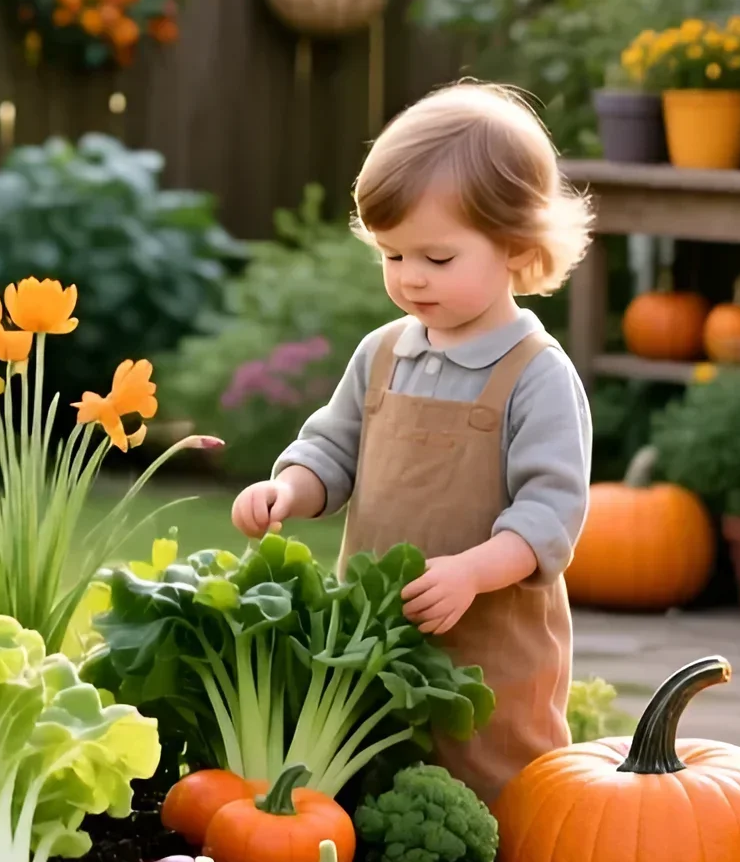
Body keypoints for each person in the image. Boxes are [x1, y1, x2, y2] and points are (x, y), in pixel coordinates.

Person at [232, 82, 593, 803]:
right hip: (373, 638)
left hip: (491, 653)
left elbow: (549, 518)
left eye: (436, 257)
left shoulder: (537, 375)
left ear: (517, 247)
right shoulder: (383, 352)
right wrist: (290, 489)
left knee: (495, 793)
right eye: (392, 256)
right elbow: (332, 451)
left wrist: (471, 573)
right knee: (372, 773)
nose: (410, 278)